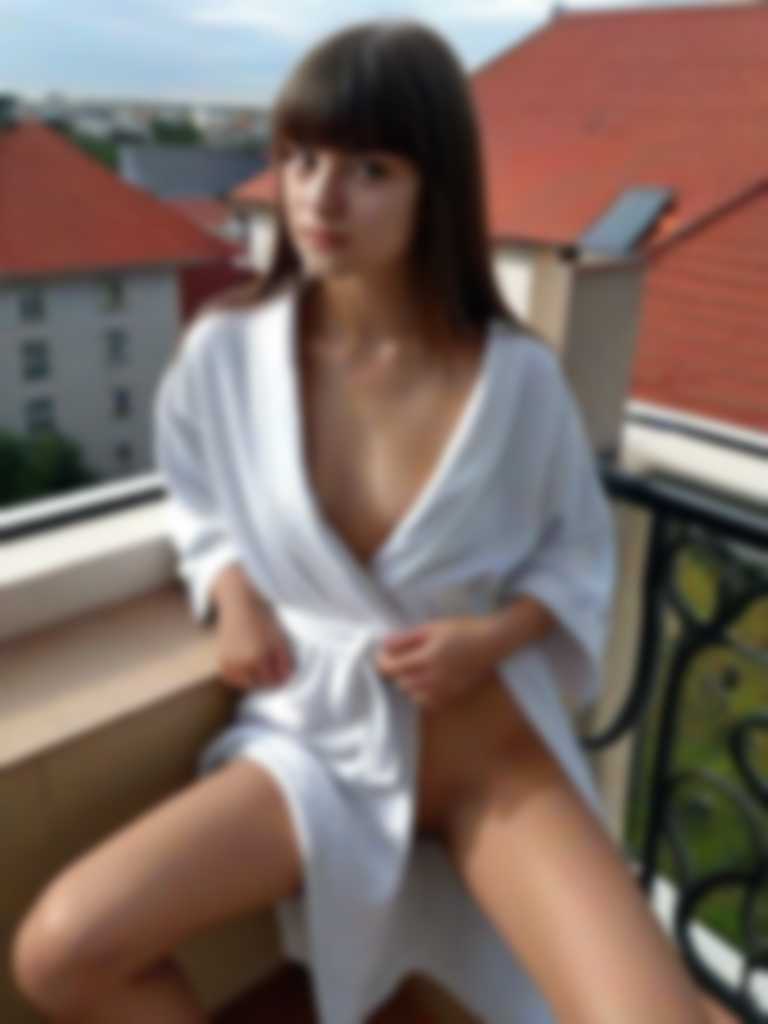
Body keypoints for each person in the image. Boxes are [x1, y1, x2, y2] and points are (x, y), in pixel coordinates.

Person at [11, 18, 710, 1024]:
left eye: (369, 168)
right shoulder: (225, 356)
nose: (319, 197)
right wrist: (231, 588)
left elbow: (577, 551)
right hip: (319, 738)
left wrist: (492, 638)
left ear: (437, 187)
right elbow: (196, 492)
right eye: (300, 158)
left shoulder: (517, 381)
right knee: (61, 950)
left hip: (485, 750)